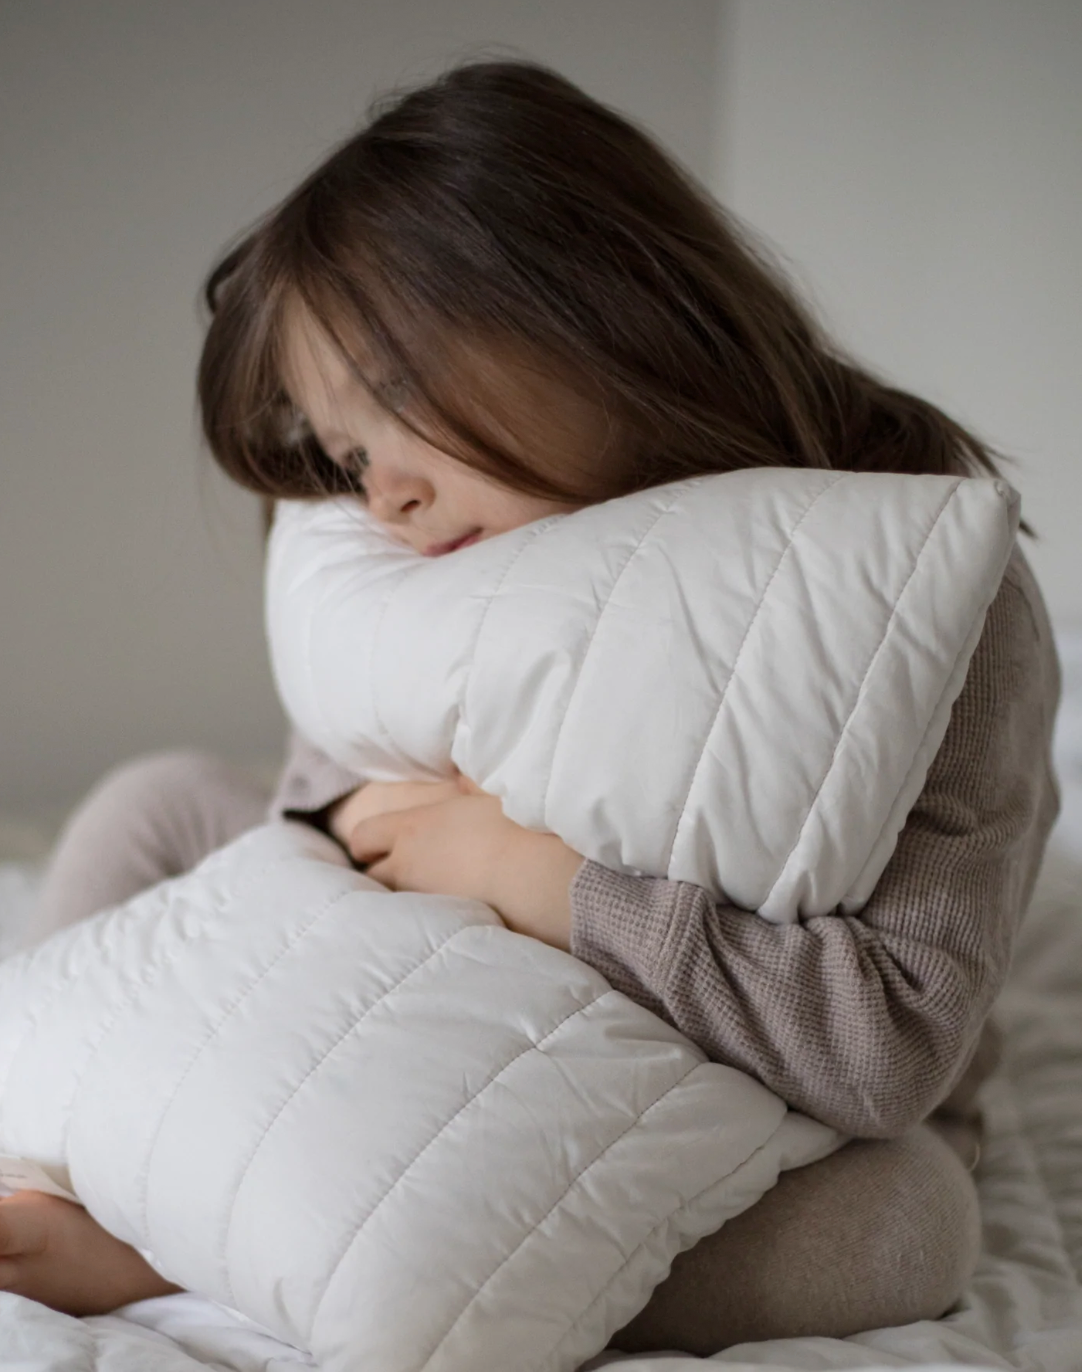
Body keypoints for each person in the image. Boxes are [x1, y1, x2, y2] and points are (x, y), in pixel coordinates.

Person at [1, 60, 1059, 1354]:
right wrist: (360, 832)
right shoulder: (418, 566)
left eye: (394, 404)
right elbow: (299, 851)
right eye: (343, 453)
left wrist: (536, 875)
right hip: (409, 1004)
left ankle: (199, 1246)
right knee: (158, 801)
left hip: (711, 1066)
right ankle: (64, 1147)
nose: (375, 494)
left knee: (904, 1226)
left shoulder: (926, 602)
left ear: (584, 303)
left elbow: (888, 1045)